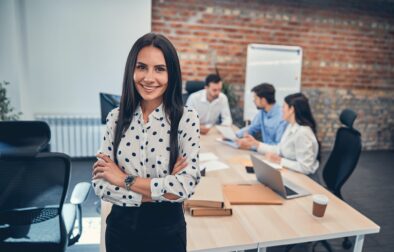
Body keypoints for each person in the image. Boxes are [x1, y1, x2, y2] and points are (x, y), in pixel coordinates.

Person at [92, 33, 200, 252]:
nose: (149, 78)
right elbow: (101, 184)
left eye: (160, 69)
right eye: (142, 67)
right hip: (120, 232)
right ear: (132, 70)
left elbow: (185, 186)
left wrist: (123, 179)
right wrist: (163, 190)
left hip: (167, 233)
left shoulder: (186, 118)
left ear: (172, 74)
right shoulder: (116, 117)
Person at [241, 93, 320, 175]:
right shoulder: (291, 126)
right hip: (292, 173)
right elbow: (279, 149)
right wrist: (256, 144)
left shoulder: (303, 132)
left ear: (291, 109)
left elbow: (305, 168)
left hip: (305, 180)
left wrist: (279, 160)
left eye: (284, 107)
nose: (281, 110)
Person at [236, 83, 287, 149]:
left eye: (256, 98)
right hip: (263, 151)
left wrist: (251, 146)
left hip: (273, 153)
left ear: (263, 101)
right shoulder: (262, 112)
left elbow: (278, 147)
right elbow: (252, 128)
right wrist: (235, 136)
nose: (253, 100)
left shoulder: (282, 117)